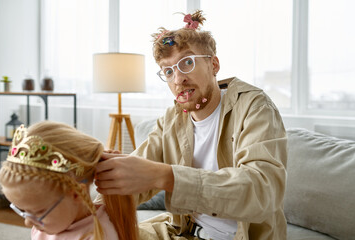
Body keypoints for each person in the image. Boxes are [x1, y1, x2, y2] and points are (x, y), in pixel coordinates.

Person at [95, 10, 287, 240]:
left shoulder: (254, 107)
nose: (178, 79)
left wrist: (166, 176)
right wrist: (88, 207)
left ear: (214, 65)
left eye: (187, 62)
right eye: (168, 71)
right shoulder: (172, 119)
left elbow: (262, 191)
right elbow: (135, 175)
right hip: (182, 231)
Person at [0, 121, 138, 240]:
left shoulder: (98, 235)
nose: (28, 222)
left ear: (76, 194)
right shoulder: (46, 226)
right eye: (22, 210)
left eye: (38, 212)